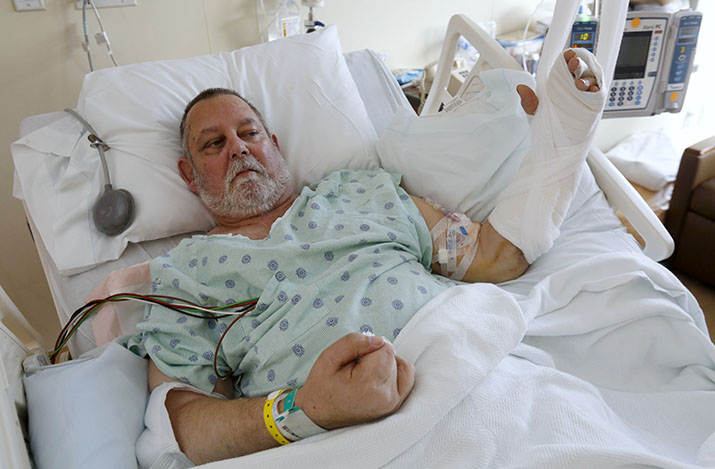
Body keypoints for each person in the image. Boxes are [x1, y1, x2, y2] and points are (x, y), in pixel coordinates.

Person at [126, 49, 603, 466]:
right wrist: (306, 409)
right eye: (215, 143)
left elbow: (496, 257)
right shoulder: (183, 276)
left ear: (275, 145)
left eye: (250, 133)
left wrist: (561, 143)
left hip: (475, 376)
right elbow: (186, 429)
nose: (238, 148)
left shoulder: (363, 192)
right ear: (189, 175)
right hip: (334, 441)